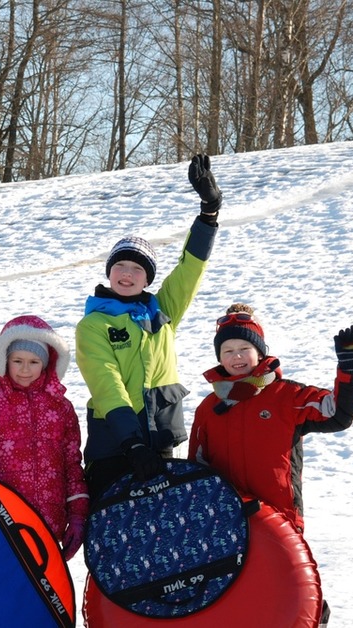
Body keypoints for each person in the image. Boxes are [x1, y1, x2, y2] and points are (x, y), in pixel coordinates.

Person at [188, 303, 353, 628]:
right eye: (228, 350)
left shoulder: (286, 396)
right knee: (239, 594)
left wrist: (349, 369)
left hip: (280, 516)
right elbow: (197, 468)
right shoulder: (209, 408)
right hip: (230, 521)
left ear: (259, 351)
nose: (236, 356)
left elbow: (339, 412)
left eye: (244, 348)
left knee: (294, 589)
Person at [76, 153, 222, 502]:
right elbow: (106, 383)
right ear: (109, 273)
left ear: (148, 278)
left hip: (159, 442)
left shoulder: (163, 310)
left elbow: (190, 269)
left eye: (137, 269)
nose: (127, 274)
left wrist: (209, 213)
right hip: (114, 446)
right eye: (120, 266)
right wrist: (132, 442)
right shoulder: (93, 324)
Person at [0, 316, 89, 561]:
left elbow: (72, 464)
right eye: (17, 360)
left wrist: (77, 515)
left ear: (46, 363)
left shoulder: (61, 407)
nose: (24, 369)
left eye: (33, 361)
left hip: (50, 521)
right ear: (5, 360)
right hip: (4, 520)